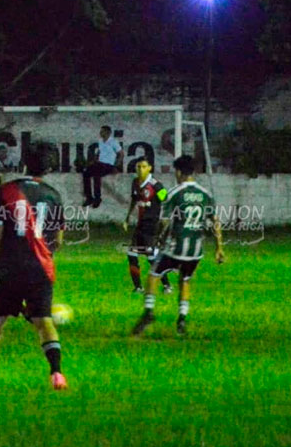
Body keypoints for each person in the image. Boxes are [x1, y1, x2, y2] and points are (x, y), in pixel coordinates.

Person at [0, 144, 68, 391]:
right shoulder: (53, 194)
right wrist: (44, 255)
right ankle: (57, 374)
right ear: (49, 168)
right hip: (41, 268)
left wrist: (0, 259)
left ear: (24, 163)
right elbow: (59, 239)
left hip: (10, 266)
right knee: (44, 321)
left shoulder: (8, 190)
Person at [132, 155, 225, 337]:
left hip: (176, 248)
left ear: (180, 172)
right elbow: (215, 222)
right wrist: (219, 248)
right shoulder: (205, 194)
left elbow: (165, 221)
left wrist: (158, 237)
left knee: (154, 274)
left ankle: (149, 312)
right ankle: (182, 319)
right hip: (195, 250)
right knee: (185, 279)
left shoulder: (175, 193)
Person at [122, 159, 172, 294]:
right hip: (140, 225)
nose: (140, 169)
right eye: (138, 167)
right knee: (131, 254)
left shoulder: (155, 185)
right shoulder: (135, 183)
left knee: (151, 257)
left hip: (152, 226)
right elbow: (134, 200)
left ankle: (167, 285)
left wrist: (165, 220)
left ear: (149, 168)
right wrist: (127, 218)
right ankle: (138, 287)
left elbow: (166, 199)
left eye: (144, 166)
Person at [82, 125, 122, 208]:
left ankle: (97, 198)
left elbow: (121, 154)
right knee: (86, 173)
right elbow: (99, 152)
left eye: (102, 131)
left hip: (108, 165)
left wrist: (116, 166)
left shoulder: (113, 142)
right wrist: (92, 161)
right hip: (99, 163)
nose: (100, 133)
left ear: (107, 132)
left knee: (97, 175)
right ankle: (89, 197)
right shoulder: (100, 141)